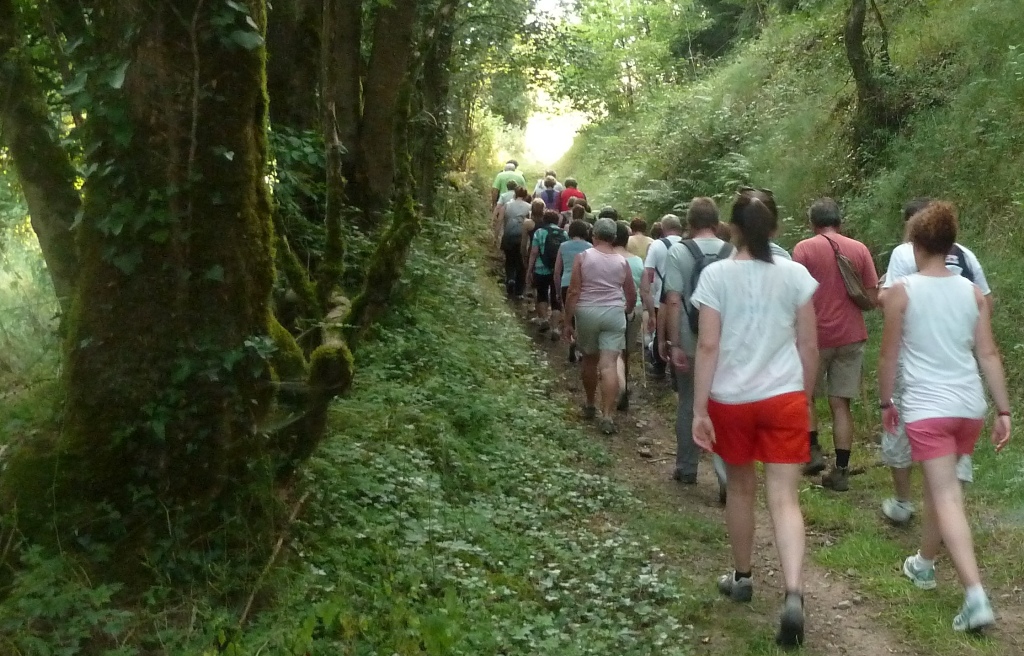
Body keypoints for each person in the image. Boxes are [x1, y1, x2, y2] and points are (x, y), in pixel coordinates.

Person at [691, 189, 818, 648]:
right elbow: (808, 346)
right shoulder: (796, 275)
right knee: (785, 498)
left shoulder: (716, 276)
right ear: (777, 230)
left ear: (734, 230)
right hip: (783, 395)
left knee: (741, 489)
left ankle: (743, 577)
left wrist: (700, 408)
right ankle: (794, 594)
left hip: (732, 398)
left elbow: (707, 345)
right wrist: (802, 398)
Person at [877, 201, 1010, 633]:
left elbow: (889, 353)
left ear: (915, 244)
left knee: (947, 496)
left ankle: (975, 596)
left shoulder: (902, 292)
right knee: (942, 489)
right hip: (969, 407)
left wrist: (885, 402)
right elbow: (987, 353)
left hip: (928, 409)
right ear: (952, 246)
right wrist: (1004, 410)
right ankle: (925, 564)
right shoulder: (972, 293)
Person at [877, 198, 994, 524]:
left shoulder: (904, 253)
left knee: (900, 423)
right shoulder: (967, 254)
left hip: (913, 358)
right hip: (959, 357)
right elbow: (985, 301)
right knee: (956, 428)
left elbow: (887, 300)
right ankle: (949, 508)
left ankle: (903, 502)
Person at [792, 198, 879, 491]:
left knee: (806, 397)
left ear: (813, 223)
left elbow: (795, 295)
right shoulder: (859, 249)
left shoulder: (803, 249)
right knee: (841, 404)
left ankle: (813, 451)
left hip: (814, 337)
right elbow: (872, 296)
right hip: (851, 336)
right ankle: (841, 470)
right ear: (839, 221)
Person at [661, 198, 732, 499]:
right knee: (725, 407)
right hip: (726, 343)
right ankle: (726, 473)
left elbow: (674, 300)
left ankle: (687, 467)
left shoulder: (678, 251)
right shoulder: (732, 252)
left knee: (689, 402)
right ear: (716, 223)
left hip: (691, 341)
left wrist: (674, 343)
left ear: (689, 224)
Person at [563, 217, 637, 435]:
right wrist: (627, 308)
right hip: (614, 313)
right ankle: (607, 416)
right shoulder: (622, 262)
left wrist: (568, 321)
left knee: (589, 359)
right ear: (614, 238)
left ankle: (589, 404)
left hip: (587, 312)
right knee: (609, 365)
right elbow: (631, 293)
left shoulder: (583, 258)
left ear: (593, 235)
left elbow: (574, 291)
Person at [641, 214, 684, 380]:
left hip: (661, 296)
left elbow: (649, 271)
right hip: (682, 298)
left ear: (663, 228)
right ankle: (676, 370)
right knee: (677, 332)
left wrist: (646, 293)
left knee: (661, 332)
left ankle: (659, 366)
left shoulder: (657, 245)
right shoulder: (686, 243)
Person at [612, 220, 645, 411]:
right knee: (627, 350)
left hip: (614, 307)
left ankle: (620, 386)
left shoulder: (606, 258)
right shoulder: (637, 261)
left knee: (613, 350)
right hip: (635, 308)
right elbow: (645, 290)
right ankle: (625, 379)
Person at [554, 219, 593, 362]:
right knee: (581, 317)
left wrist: (557, 291)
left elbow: (557, 270)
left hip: (566, 284)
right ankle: (579, 345)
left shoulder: (563, 246)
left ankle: (572, 341)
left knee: (569, 314)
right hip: (584, 285)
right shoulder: (589, 247)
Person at [526, 209, 566, 339]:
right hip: (557, 270)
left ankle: (543, 320)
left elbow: (534, 252)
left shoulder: (539, 232)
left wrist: (529, 269)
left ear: (544, 219)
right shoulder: (564, 233)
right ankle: (555, 329)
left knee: (542, 294)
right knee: (556, 299)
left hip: (540, 268)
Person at [493, 186, 532, 299]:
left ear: (514, 194)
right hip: (522, 237)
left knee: (509, 260)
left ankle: (510, 279)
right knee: (521, 263)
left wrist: (496, 236)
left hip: (508, 235)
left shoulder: (507, 205)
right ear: (525, 196)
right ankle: (519, 291)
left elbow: (500, 220)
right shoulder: (529, 207)